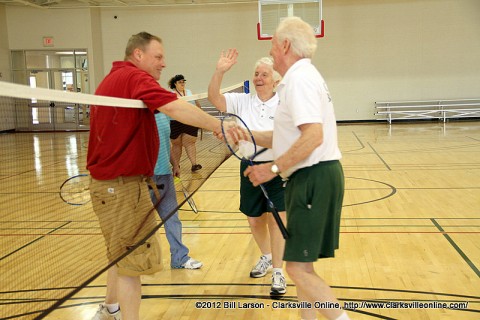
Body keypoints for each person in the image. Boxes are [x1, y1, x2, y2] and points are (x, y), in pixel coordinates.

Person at [87, 31, 221, 320]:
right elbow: (174, 106)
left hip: (108, 186)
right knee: (133, 263)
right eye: (158, 57)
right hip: (122, 188)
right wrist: (217, 126)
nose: (163, 64)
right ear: (138, 55)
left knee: (119, 253)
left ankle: (109, 309)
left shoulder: (115, 79)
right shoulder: (135, 78)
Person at [243, 17, 350, 320]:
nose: (271, 50)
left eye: (273, 43)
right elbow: (286, 136)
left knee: (296, 269)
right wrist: (247, 134)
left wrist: (271, 169)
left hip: (313, 177)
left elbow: (313, 136)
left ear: (286, 45)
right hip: (317, 176)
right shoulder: (304, 76)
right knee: (303, 267)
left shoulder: (298, 80)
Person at [208, 52, 287, 296]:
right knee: (254, 220)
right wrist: (220, 70)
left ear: (275, 80)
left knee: (277, 221)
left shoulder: (285, 104)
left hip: (277, 168)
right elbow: (214, 99)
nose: (259, 78)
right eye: (256, 74)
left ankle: (278, 272)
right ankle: (266, 256)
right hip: (248, 167)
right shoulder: (242, 101)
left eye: (264, 74)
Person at [149, 111, 203, 269]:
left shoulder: (164, 115)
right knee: (142, 224)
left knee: (172, 218)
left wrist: (175, 164)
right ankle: (138, 260)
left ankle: (179, 257)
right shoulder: (139, 115)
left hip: (165, 175)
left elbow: (168, 144)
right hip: (144, 178)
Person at [168, 74, 203, 173]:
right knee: (176, 144)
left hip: (189, 120)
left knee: (190, 142)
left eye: (183, 81)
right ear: (175, 84)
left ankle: (194, 164)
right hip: (175, 121)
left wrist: (200, 115)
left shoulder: (189, 92)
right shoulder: (171, 94)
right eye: (180, 82)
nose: (182, 83)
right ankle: (176, 166)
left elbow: (197, 104)